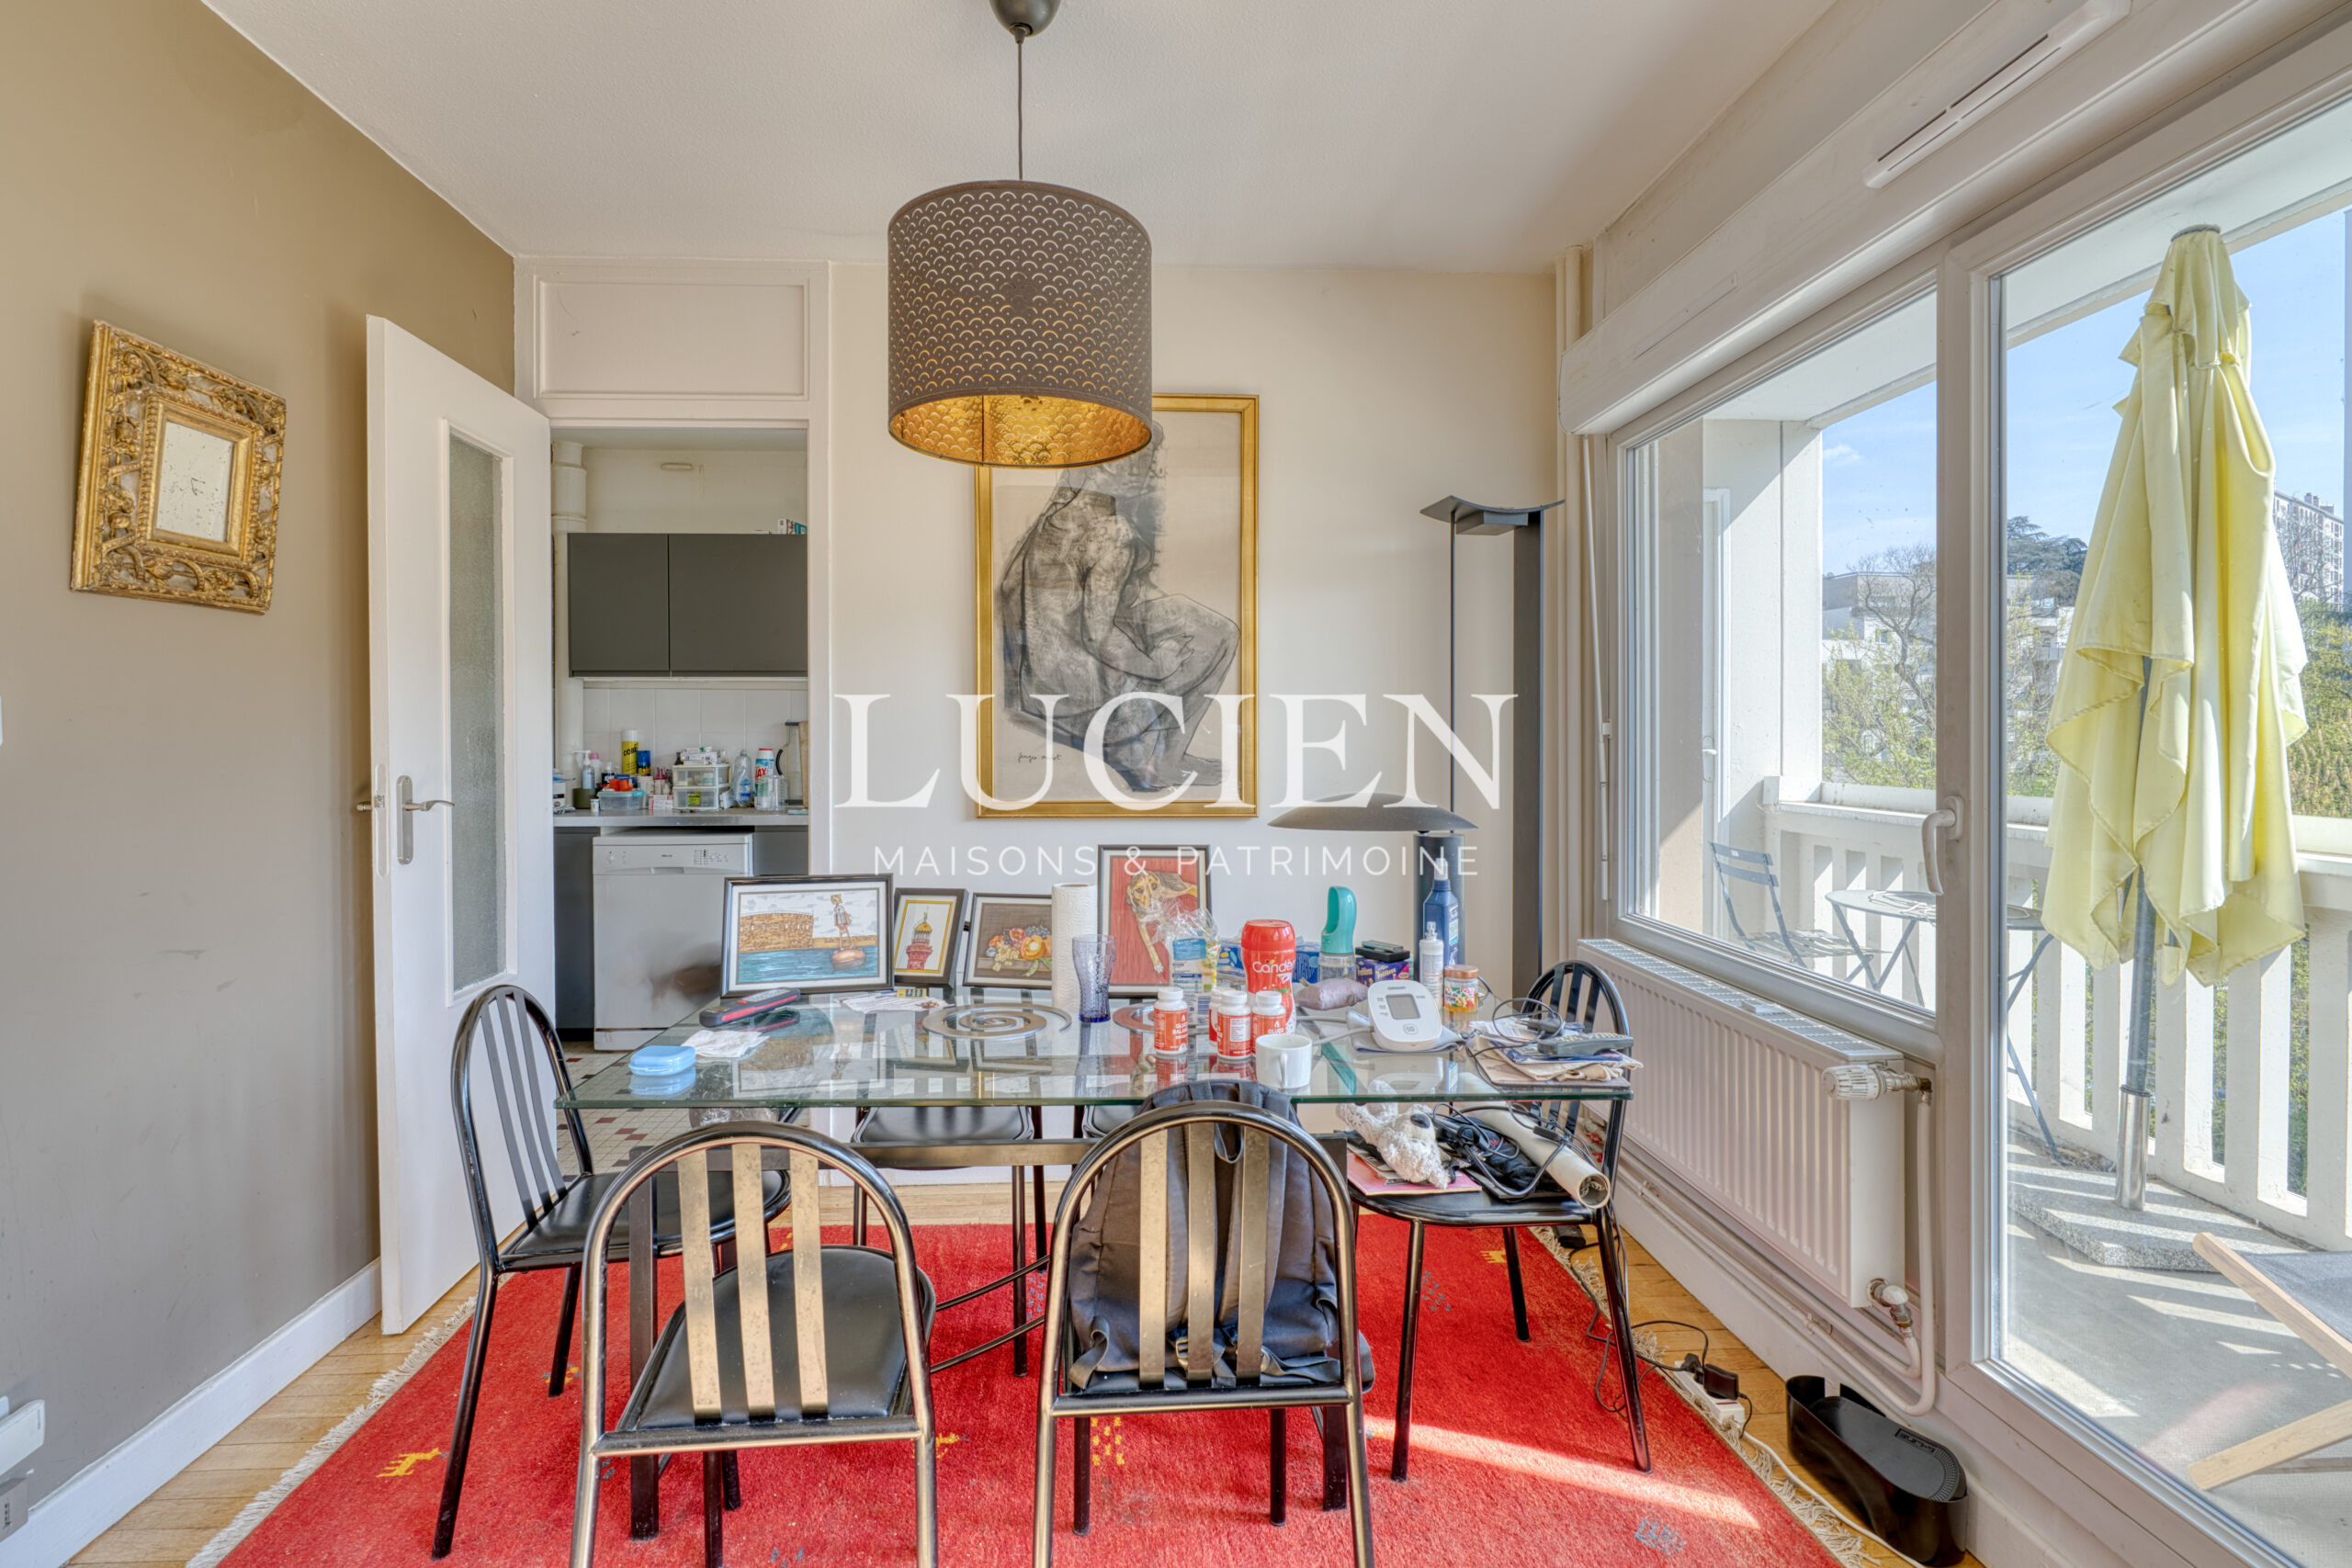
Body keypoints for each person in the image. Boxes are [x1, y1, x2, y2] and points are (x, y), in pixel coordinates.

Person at [996, 426, 1238, 794]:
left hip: (1039, 686)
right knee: (1221, 635)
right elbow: (1100, 636)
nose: (1145, 470)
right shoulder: (1113, 531)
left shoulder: (1055, 517)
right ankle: (1160, 763)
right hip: (1086, 704)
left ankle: (1160, 755)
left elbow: (1017, 593)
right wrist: (1156, 666)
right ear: (1099, 463)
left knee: (1196, 620)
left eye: (1147, 459)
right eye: (1135, 459)